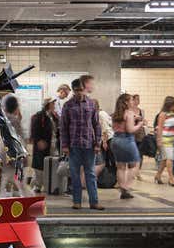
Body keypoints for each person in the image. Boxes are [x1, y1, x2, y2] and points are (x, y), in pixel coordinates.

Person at [60, 76, 104, 210]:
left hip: (89, 145)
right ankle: (77, 201)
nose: (79, 92)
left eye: (81, 90)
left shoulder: (91, 104)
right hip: (73, 146)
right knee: (74, 175)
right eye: (77, 90)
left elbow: (97, 125)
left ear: (84, 89)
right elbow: (64, 127)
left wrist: (97, 143)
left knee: (90, 174)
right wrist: (65, 145)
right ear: (73, 90)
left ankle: (94, 202)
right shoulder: (67, 105)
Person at [110, 94, 143, 199]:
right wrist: (140, 124)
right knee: (135, 164)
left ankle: (122, 188)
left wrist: (135, 117)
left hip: (115, 140)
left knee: (120, 166)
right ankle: (126, 187)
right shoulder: (129, 113)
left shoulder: (115, 114)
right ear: (126, 102)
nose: (133, 102)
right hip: (127, 140)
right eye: (131, 100)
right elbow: (130, 129)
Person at [0, 95, 30, 197]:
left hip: (4, 159)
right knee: (22, 185)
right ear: (16, 107)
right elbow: (20, 141)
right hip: (16, 160)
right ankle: (30, 206)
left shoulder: (2, 119)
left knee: (1, 186)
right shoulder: (14, 121)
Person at [30, 97, 59, 193]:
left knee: (51, 164)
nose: (54, 105)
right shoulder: (40, 116)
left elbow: (57, 129)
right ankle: (37, 185)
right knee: (39, 166)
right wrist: (38, 141)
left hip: (52, 144)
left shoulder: (54, 116)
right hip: (42, 144)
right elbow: (34, 129)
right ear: (48, 104)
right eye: (52, 103)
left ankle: (51, 185)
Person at [154, 96, 174, 186]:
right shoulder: (162, 114)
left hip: (172, 138)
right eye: (173, 104)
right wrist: (159, 140)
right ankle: (171, 179)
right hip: (165, 139)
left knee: (164, 160)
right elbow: (160, 128)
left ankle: (158, 176)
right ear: (169, 104)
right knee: (170, 158)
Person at [132, 94, 147, 181]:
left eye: (139, 99)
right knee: (132, 152)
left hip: (140, 134)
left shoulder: (141, 111)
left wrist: (143, 121)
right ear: (133, 100)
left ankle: (138, 171)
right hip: (132, 133)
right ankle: (133, 171)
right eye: (136, 99)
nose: (138, 101)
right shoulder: (129, 111)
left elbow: (144, 121)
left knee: (140, 153)